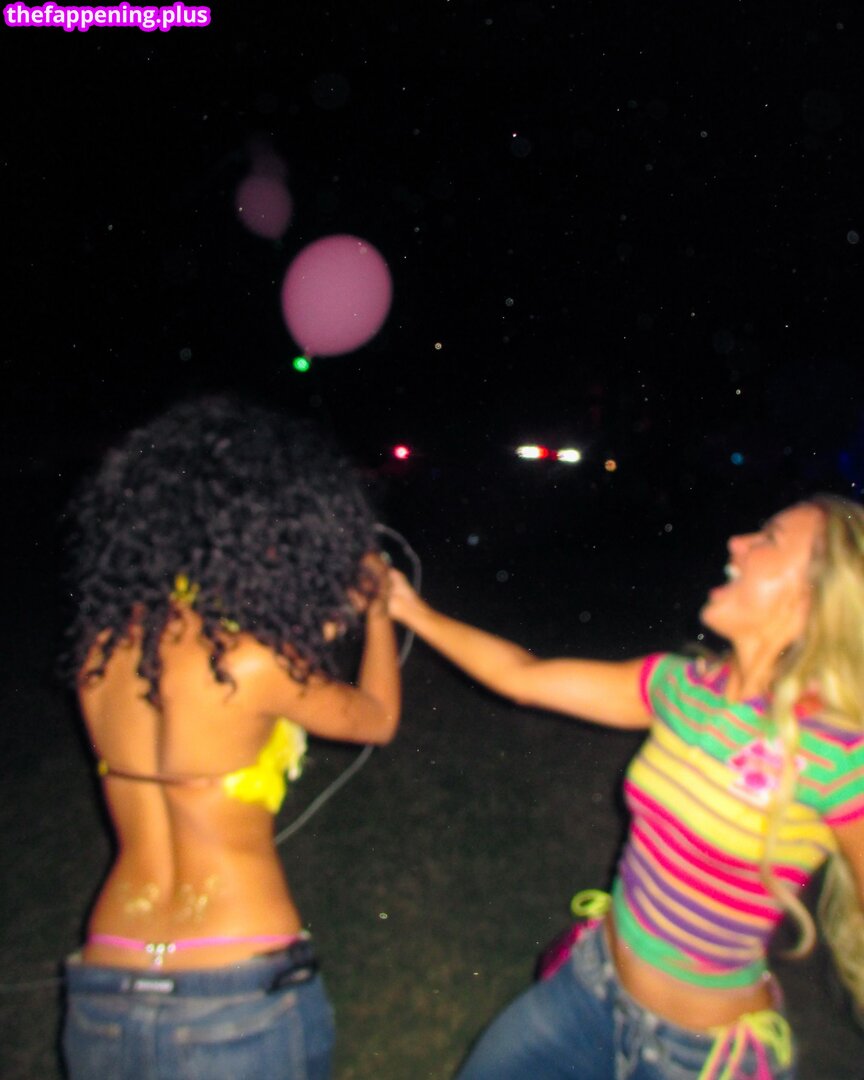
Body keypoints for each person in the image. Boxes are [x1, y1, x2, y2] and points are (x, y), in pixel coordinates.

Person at [387, 496, 864, 1079]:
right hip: (590, 989)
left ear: (814, 596)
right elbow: (522, 677)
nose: (738, 543)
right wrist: (408, 608)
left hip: (700, 1058)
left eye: (768, 539)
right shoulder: (679, 687)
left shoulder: (839, 754)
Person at [60, 396, 400, 1080]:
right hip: (233, 985)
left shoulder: (103, 649)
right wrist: (380, 614)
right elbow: (375, 717)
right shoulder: (253, 661)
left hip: (106, 980)